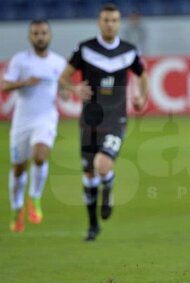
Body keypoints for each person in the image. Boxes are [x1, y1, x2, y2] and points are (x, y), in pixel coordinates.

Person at [59, 3, 148, 241]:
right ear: (100, 22)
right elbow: (64, 78)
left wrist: (141, 96)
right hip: (89, 121)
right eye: (106, 20)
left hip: (116, 118)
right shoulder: (85, 49)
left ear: (119, 23)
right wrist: (75, 87)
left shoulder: (129, 51)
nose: (110, 24)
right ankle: (92, 224)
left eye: (114, 20)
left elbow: (143, 75)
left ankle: (107, 188)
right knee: (89, 174)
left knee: (102, 164)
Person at [3, 20, 67, 233]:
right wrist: (24, 83)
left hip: (46, 118)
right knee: (19, 168)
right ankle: (16, 208)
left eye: (43, 33)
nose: (40, 37)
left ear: (50, 36)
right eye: (36, 33)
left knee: (40, 156)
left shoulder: (58, 63)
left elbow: (64, 90)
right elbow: (4, 86)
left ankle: (35, 197)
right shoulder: (20, 61)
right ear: (30, 37)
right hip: (22, 121)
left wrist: (67, 92)